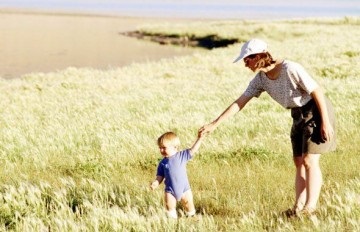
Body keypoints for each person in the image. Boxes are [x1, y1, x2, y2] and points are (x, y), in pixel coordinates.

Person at [199, 38, 336, 217]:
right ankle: (298, 207)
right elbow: (240, 102)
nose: (245, 64)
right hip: (297, 113)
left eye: (247, 59)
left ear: (259, 56)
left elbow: (316, 91)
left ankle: (310, 208)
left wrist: (325, 122)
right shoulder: (260, 80)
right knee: (298, 162)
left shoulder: (290, 68)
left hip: (316, 110)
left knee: (310, 161)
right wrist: (214, 124)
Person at [150, 131, 204, 219]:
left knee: (189, 207)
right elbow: (160, 176)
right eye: (160, 148)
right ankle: (172, 223)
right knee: (169, 207)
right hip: (170, 190)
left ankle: (192, 218)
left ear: (175, 147)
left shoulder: (182, 156)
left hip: (184, 190)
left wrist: (200, 138)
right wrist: (156, 182)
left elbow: (193, 149)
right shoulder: (162, 163)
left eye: (164, 147)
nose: (161, 150)